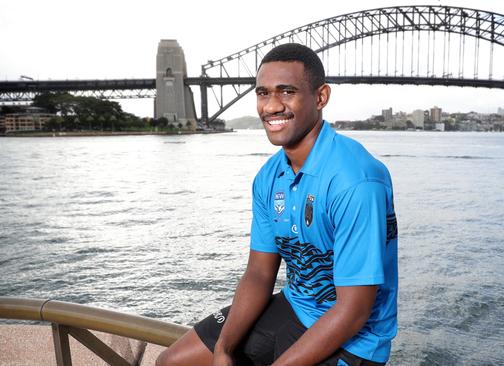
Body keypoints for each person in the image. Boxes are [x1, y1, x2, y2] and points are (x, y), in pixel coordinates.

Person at [157, 43, 398, 366]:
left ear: (320, 97)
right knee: (171, 362)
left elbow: (353, 312)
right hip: (297, 305)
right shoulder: (269, 177)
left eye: (287, 92)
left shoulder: (355, 181)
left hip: (356, 338)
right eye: (263, 93)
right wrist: (224, 349)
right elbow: (259, 273)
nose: (272, 106)